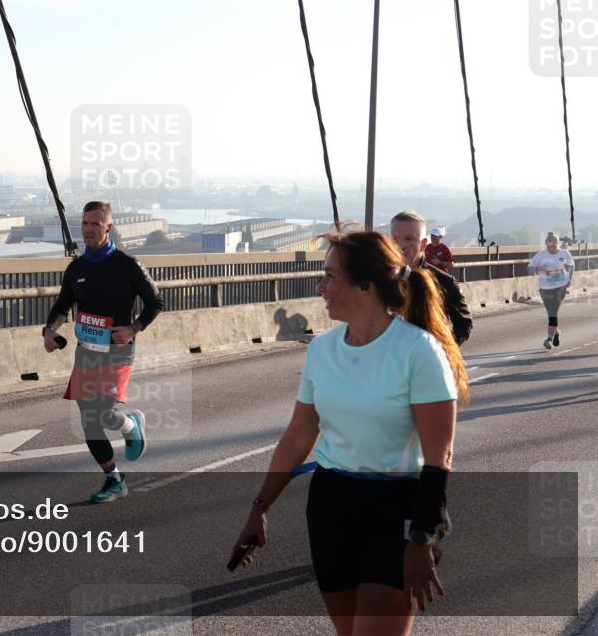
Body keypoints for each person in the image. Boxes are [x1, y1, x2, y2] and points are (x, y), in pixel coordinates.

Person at [232, 231, 469, 636]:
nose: (320, 287)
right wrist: (259, 508)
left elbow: (438, 457)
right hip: (332, 506)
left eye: (330, 276)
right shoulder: (321, 350)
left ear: (366, 284)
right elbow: (297, 438)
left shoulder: (418, 351)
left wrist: (421, 538)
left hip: (399, 508)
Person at [43, 201, 164, 503]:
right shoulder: (77, 269)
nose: (88, 229)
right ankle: (114, 479)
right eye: (85, 223)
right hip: (87, 351)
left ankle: (129, 425)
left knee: (104, 412)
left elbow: (156, 302)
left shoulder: (127, 265)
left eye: (96, 224)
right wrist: (49, 330)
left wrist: (134, 328)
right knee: (89, 420)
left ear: (109, 228)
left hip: (118, 351)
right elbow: (61, 307)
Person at [391, 211, 472, 345]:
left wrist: (442, 352)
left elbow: (464, 323)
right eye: (395, 239)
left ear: (423, 244)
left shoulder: (443, 282)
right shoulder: (378, 280)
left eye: (409, 238)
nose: (401, 245)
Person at [527, 231, 574, 350]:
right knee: (551, 313)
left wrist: (570, 279)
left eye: (554, 245)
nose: (552, 248)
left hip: (561, 287)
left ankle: (549, 339)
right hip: (545, 288)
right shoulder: (541, 255)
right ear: (546, 244)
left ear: (558, 244)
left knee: (553, 312)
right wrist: (539, 269)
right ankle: (555, 332)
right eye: (549, 246)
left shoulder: (565, 253)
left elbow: (572, 265)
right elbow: (529, 268)